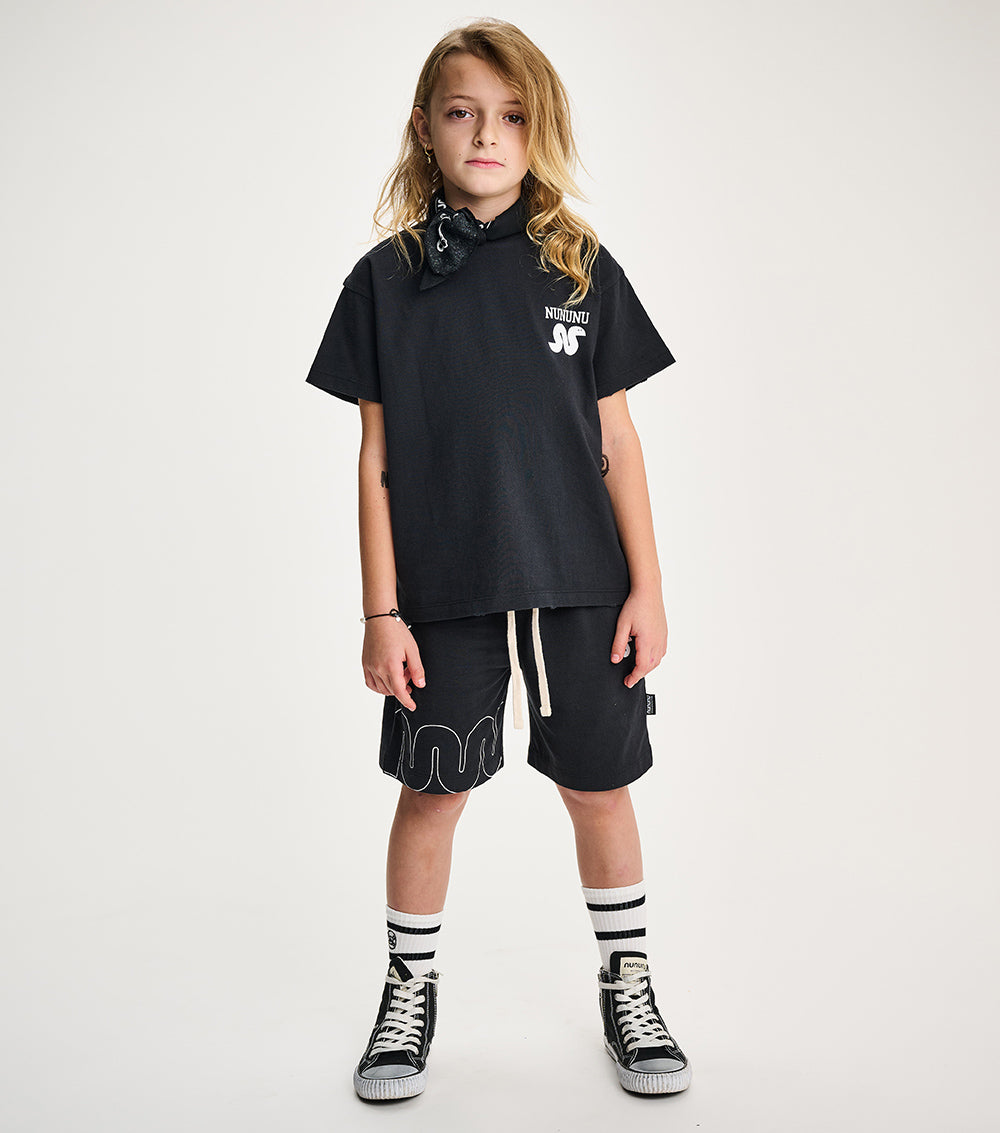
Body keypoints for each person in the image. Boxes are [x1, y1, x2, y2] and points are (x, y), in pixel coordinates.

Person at [305, 17, 691, 1102]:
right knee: (432, 791)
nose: (487, 134)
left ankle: (628, 981)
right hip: (443, 592)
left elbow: (618, 439)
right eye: (463, 112)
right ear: (424, 127)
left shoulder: (580, 267)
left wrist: (648, 586)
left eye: (512, 116)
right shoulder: (383, 282)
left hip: (582, 583)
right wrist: (381, 611)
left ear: (539, 129)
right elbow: (376, 455)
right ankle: (408, 990)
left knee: (599, 789)